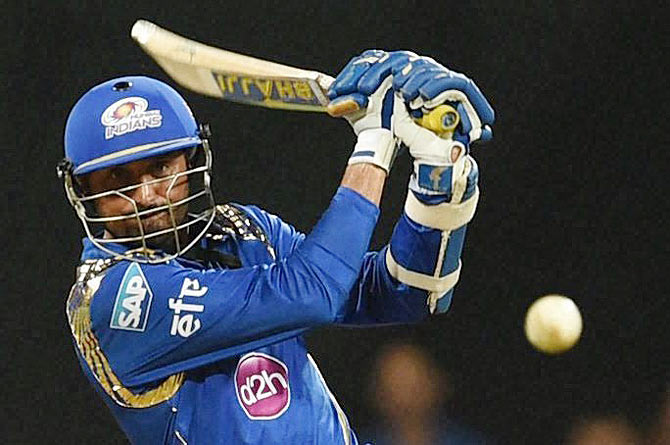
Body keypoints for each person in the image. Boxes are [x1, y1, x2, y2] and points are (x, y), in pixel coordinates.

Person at [57, 50, 494, 444]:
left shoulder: (244, 229)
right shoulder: (111, 298)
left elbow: (398, 294)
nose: (148, 194)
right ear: (82, 191)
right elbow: (311, 295)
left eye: (160, 167)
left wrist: (436, 195)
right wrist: (377, 141)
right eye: (119, 180)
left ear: (191, 162)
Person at [364, 342, 489, 445]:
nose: (405, 398)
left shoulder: (468, 441)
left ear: (437, 383)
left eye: (413, 386)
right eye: (394, 386)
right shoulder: (358, 441)